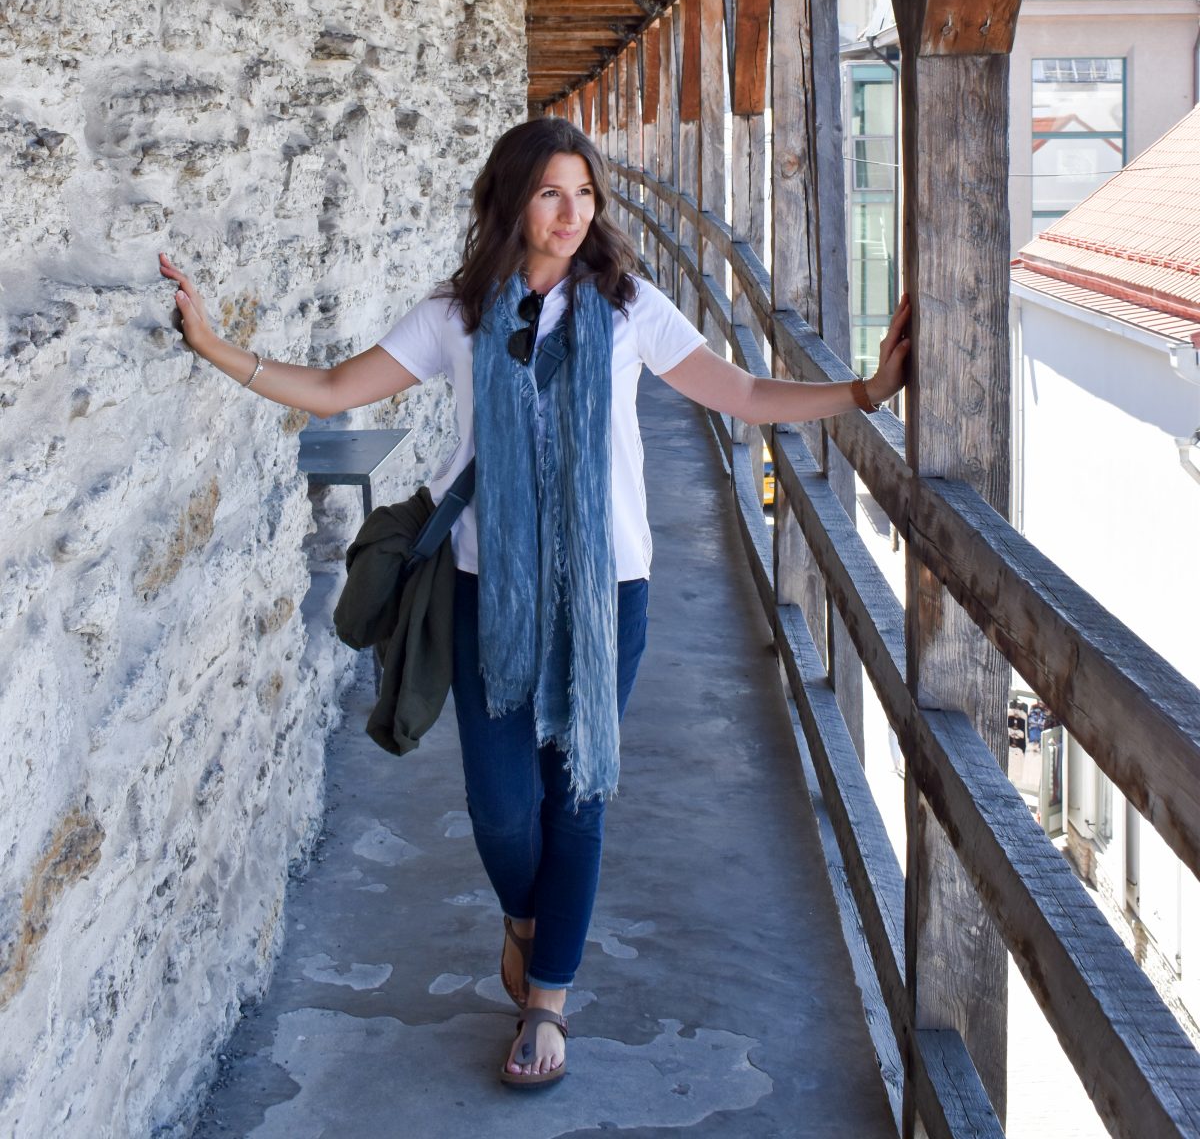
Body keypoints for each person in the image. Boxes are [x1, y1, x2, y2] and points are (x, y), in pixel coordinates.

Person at [159, 116, 909, 1088]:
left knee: (579, 795)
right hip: (486, 592)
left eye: (585, 194)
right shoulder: (459, 315)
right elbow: (339, 387)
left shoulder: (630, 306)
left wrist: (863, 390)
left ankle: (547, 999)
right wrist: (218, 347)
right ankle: (527, 917)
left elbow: (742, 394)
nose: (572, 213)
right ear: (512, 201)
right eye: (553, 193)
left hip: (608, 595)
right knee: (503, 810)